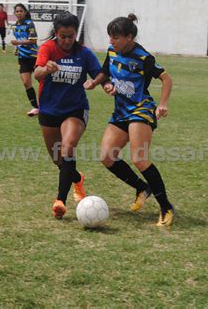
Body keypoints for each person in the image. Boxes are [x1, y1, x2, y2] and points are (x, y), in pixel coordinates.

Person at [84, 13, 175, 227]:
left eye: (115, 37)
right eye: (110, 36)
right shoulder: (112, 51)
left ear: (129, 37)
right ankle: (141, 188)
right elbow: (106, 71)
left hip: (141, 109)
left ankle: (166, 207)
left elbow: (166, 78)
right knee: (107, 156)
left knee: (139, 158)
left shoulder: (143, 57)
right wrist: (99, 83)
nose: (111, 41)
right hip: (120, 111)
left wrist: (162, 104)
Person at [34, 12, 102, 219]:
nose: (66, 40)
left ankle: (60, 201)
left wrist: (96, 82)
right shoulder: (47, 48)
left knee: (68, 147)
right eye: (62, 36)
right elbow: (36, 73)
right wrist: (46, 68)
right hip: (49, 110)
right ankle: (76, 177)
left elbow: (99, 73)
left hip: (75, 109)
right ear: (56, 33)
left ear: (76, 34)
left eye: (70, 36)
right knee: (59, 160)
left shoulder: (84, 53)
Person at [11, 3, 40, 117]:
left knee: (42, 81)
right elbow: (19, 40)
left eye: (21, 11)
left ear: (25, 12)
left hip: (34, 57)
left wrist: (18, 43)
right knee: (26, 83)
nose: (19, 13)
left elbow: (33, 40)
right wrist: (17, 49)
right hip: (23, 58)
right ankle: (35, 107)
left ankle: (49, 103)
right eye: (17, 11)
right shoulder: (14, 26)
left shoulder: (29, 24)